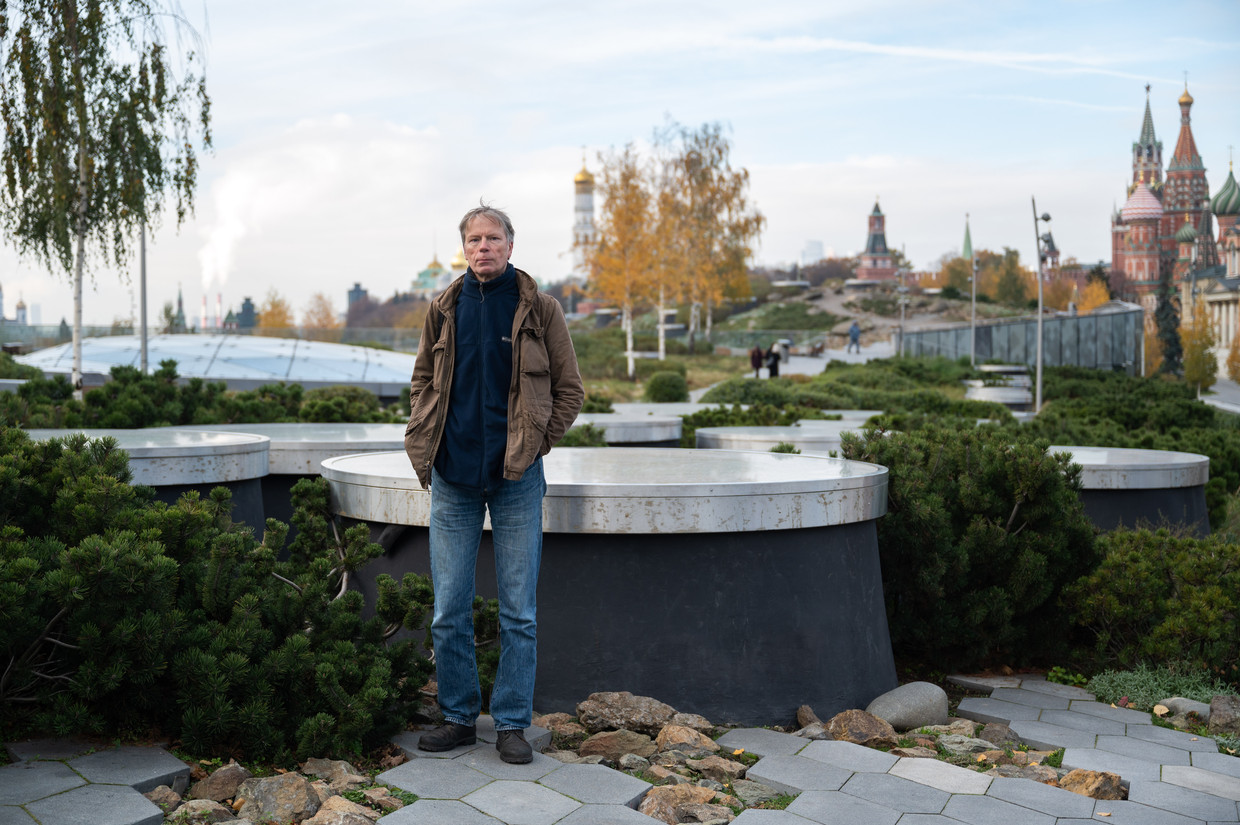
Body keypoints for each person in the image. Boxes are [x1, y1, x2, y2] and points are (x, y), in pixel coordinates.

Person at [404, 203, 584, 764]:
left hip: (516, 481)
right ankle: (458, 717)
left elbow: (569, 391)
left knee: (518, 612)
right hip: (454, 479)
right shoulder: (444, 306)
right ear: (465, 248)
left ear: (511, 244)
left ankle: (510, 723)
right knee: (449, 609)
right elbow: (420, 383)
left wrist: (534, 445)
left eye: (494, 238)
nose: (484, 247)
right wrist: (426, 439)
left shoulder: (541, 308)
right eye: (474, 239)